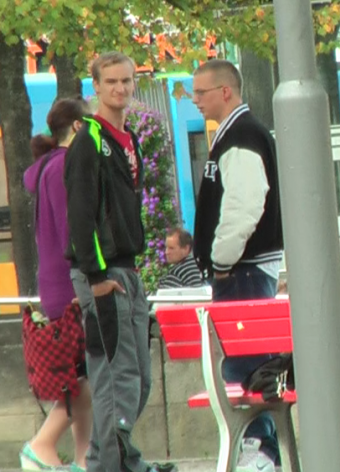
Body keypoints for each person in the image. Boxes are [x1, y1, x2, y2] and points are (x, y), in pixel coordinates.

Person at [64, 52, 175, 472]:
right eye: (111, 82)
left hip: (126, 268)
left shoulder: (127, 139)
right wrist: (95, 277)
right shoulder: (89, 139)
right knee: (117, 378)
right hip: (103, 272)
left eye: (127, 81)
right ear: (96, 86)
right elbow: (81, 212)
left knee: (138, 379)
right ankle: (113, 466)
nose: (121, 89)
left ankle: (113, 459)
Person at [191, 59, 283, 472]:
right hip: (243, 267)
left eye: (201, 92)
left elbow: (245, 205)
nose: (195, 100)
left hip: (242, 267)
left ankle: (258, 451)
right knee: (249, 362)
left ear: (225, 92)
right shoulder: (235, 135)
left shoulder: (241, 137)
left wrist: (220, 260)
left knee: (248, 363)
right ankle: (260, 449)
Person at [20, 98, 93, 472]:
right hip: (71, 283)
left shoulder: (46, 166)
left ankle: (82, 457)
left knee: (81, 378)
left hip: (53, 282)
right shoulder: (66, 166)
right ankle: (42, 444)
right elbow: (73, 229)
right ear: (79, 128)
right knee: (84, 376)